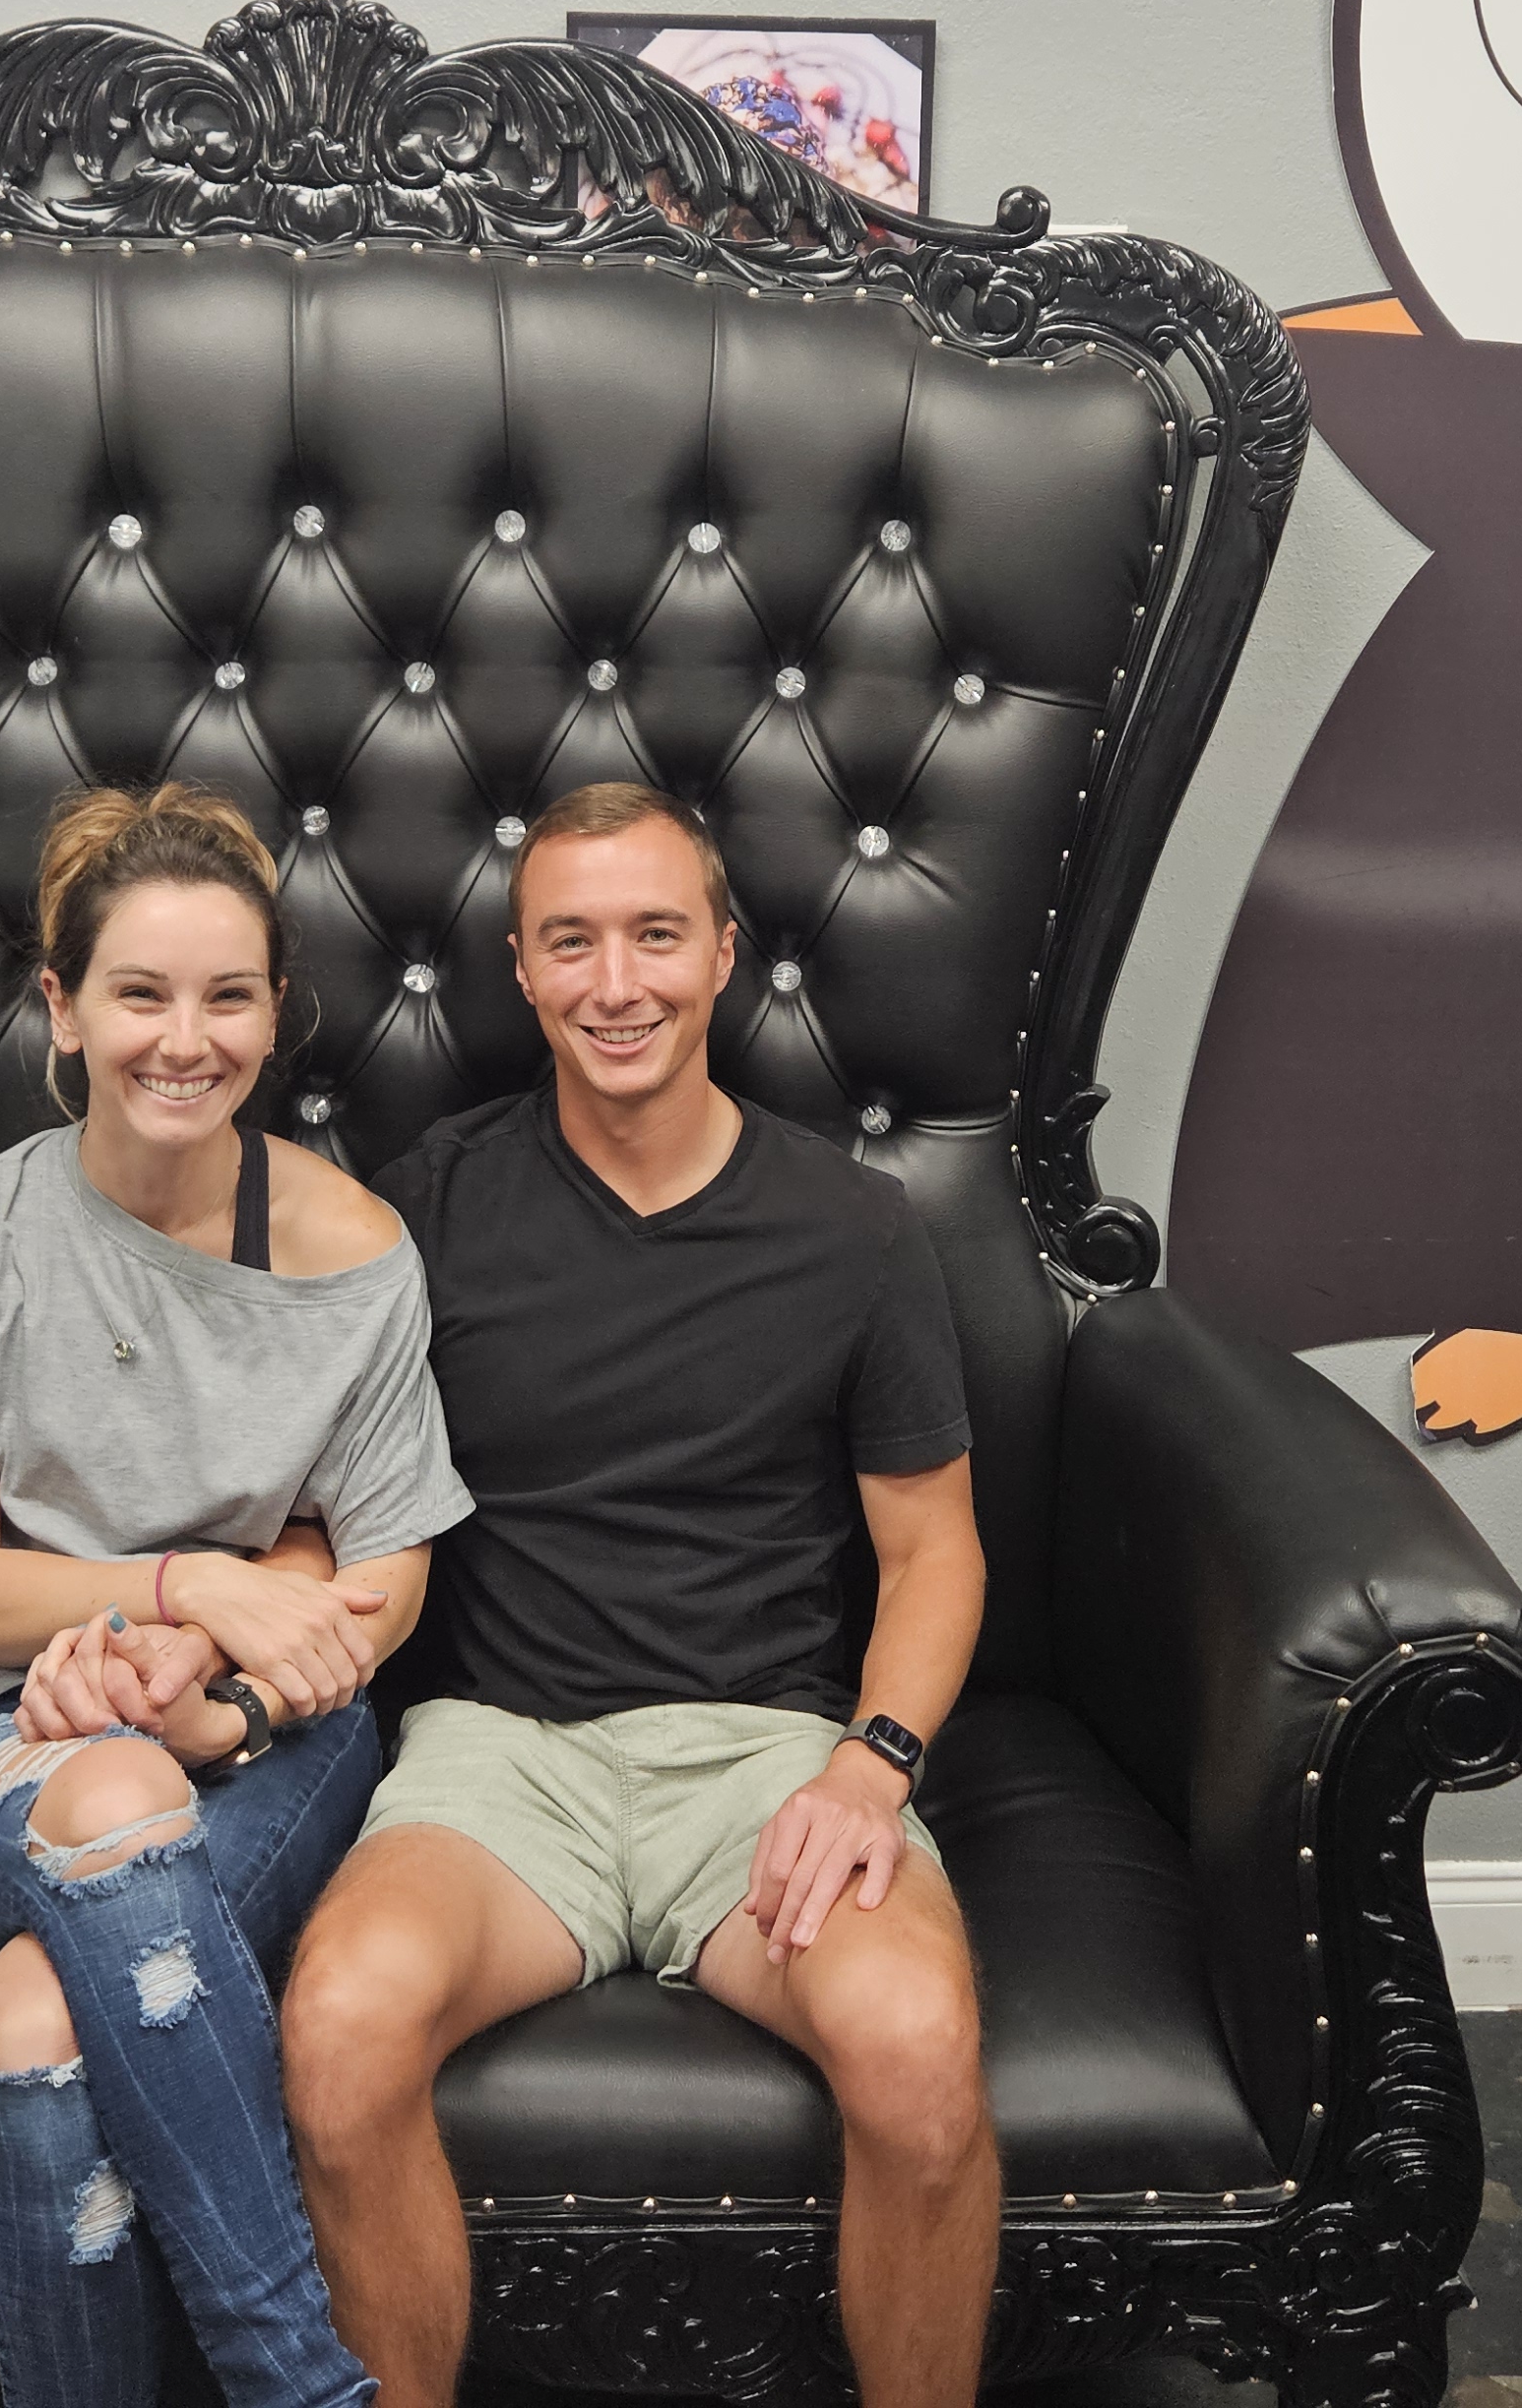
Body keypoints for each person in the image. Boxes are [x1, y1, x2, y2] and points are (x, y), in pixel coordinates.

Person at [279, 783, 999, 2408]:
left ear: (724, 956)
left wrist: (871, 1765)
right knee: (338, 2025)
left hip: (763, 1759)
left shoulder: (856, 1229)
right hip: (498, 1757)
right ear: (522, 972)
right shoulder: (426, 1206)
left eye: (657, 935)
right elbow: (323, 1495)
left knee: (914, 2048)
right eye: (572, 942)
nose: (618, 983)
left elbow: (934, 1551)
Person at [0, 782, 472, 2408]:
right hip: (0, 1744)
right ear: (61, 1006)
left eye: (229, 997)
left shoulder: (352, 1253)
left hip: (279, 1734)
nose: (185, 1042)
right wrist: (183, 1582)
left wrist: (231, 1687)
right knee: (115, 1786)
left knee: (35, 2023)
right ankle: (304, 2387)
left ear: (276, 1012)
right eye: (139, 993)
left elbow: (388, 1572)